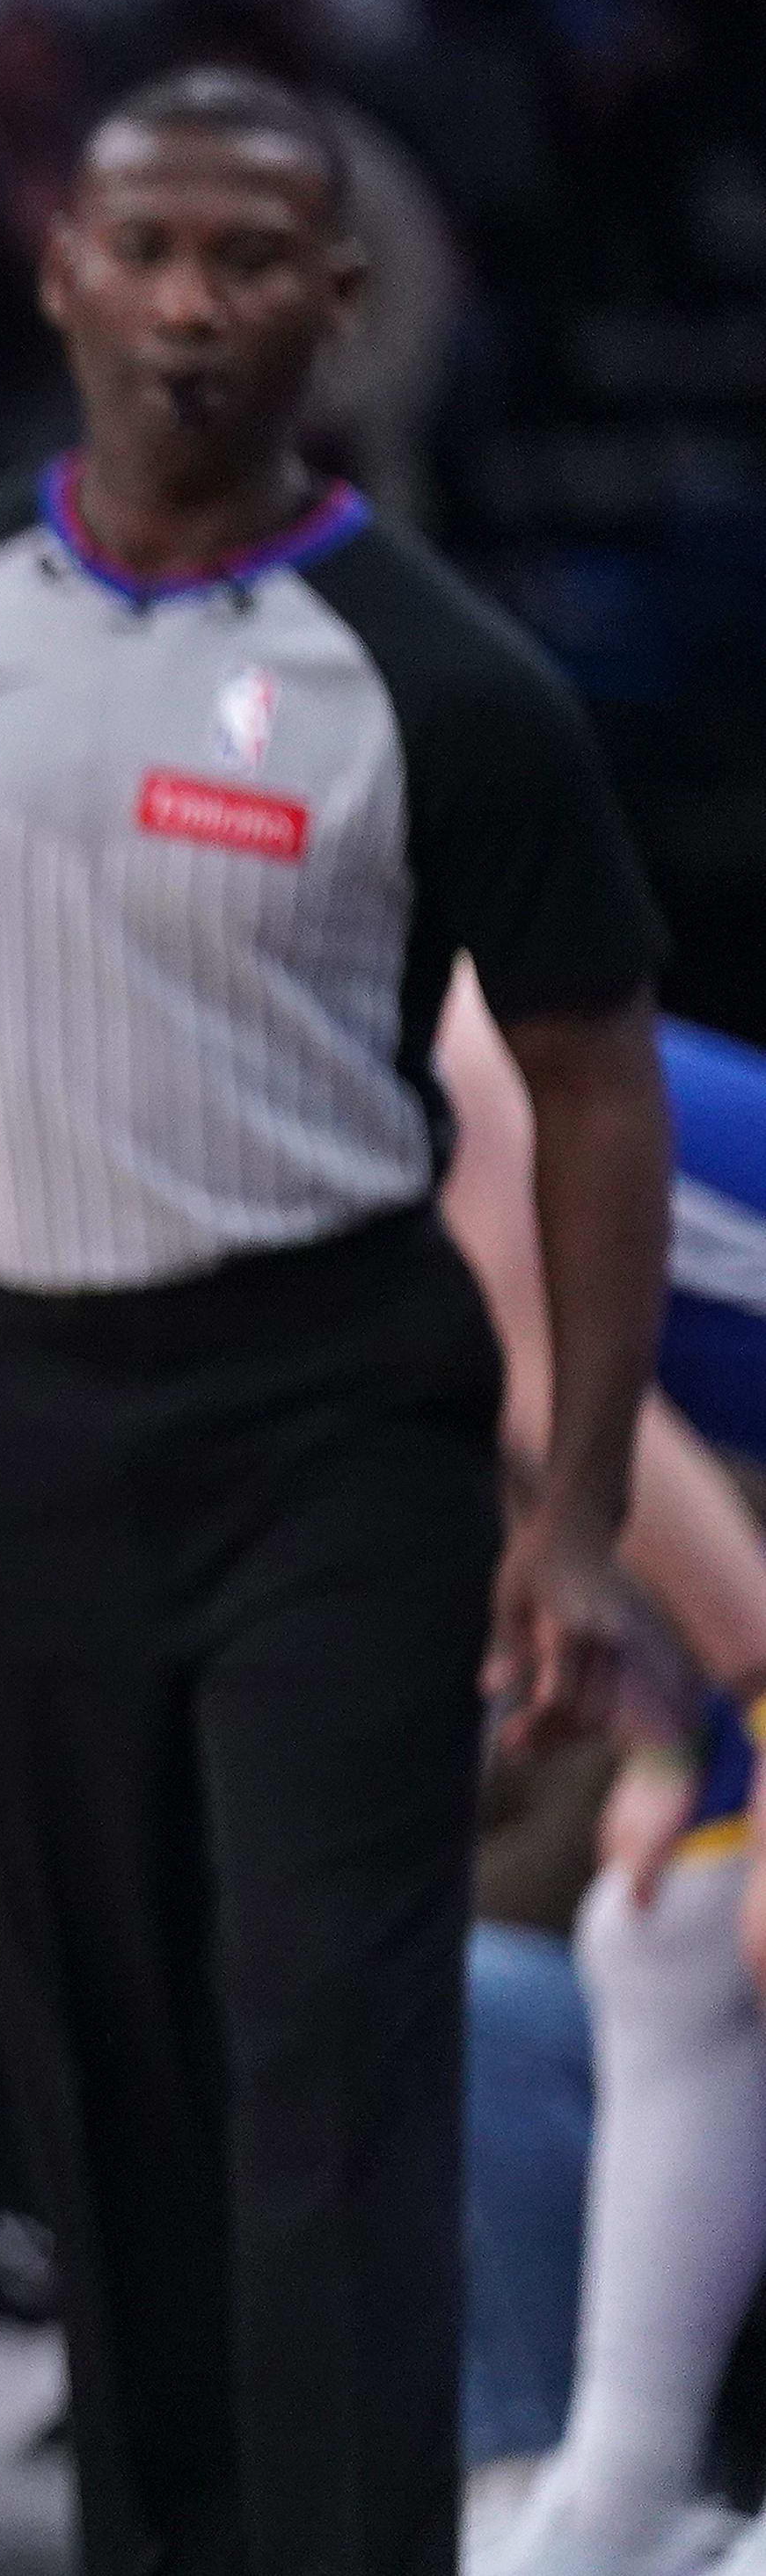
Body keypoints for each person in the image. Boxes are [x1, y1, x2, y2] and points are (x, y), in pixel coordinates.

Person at [0, 69, 673, 2576]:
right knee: (82, 2046)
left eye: (250, 257)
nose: (193, 300)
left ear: (331, 305)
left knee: (321, 2041)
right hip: (2, 1396)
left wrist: (564, 1519)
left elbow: (583, 1085)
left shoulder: (433, 676)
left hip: (325, 1408)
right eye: (149, 248)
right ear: (61, 273)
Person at [458, 998, 766, 2576]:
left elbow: (575, 1403)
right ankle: (621, 2490)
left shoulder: (437, 1045)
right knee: (658, 1929)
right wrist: (671, 1737)